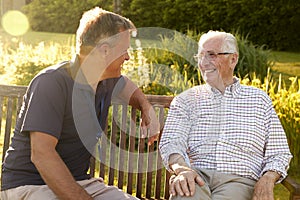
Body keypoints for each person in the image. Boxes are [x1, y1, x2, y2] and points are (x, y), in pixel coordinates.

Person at [1, 7, 159, 200]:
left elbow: (126, 85)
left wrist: (146, 107)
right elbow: (42, 154)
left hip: (80, 182)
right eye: (124, 51)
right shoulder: (52, 82)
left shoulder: (105, 80)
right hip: (31, 185)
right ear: (105, 50)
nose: (127, 57)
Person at [159, 30, 292, 200]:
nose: (204, 62)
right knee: (185, 196)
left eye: (212, 55)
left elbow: (279, 152)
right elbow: (171, 143)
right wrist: (182, 170)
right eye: (201, 56)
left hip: (239, 180)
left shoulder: (259, 100)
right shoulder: (186, 100)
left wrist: (268, 178)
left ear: (233, 59)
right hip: (196, 177)